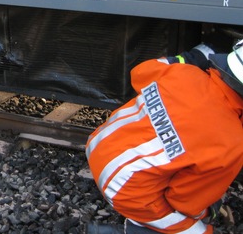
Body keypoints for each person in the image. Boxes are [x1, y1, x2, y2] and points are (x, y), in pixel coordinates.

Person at [85, 42, 243, 234]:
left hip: (99, 143)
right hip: (122, 188)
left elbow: (140, 72)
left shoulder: (184, 73)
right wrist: (210, 207)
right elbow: (184, 203)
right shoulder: (231, 141)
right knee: (198, 231)